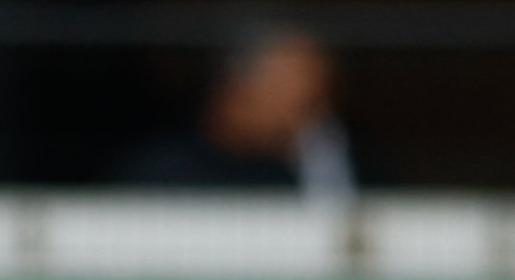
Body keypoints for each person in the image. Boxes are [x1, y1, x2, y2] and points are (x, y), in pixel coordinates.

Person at [119, 23, 355, 195]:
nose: (320, 117)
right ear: (237, 91)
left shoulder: (316, 169)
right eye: (305, 105)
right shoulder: (158, 174)